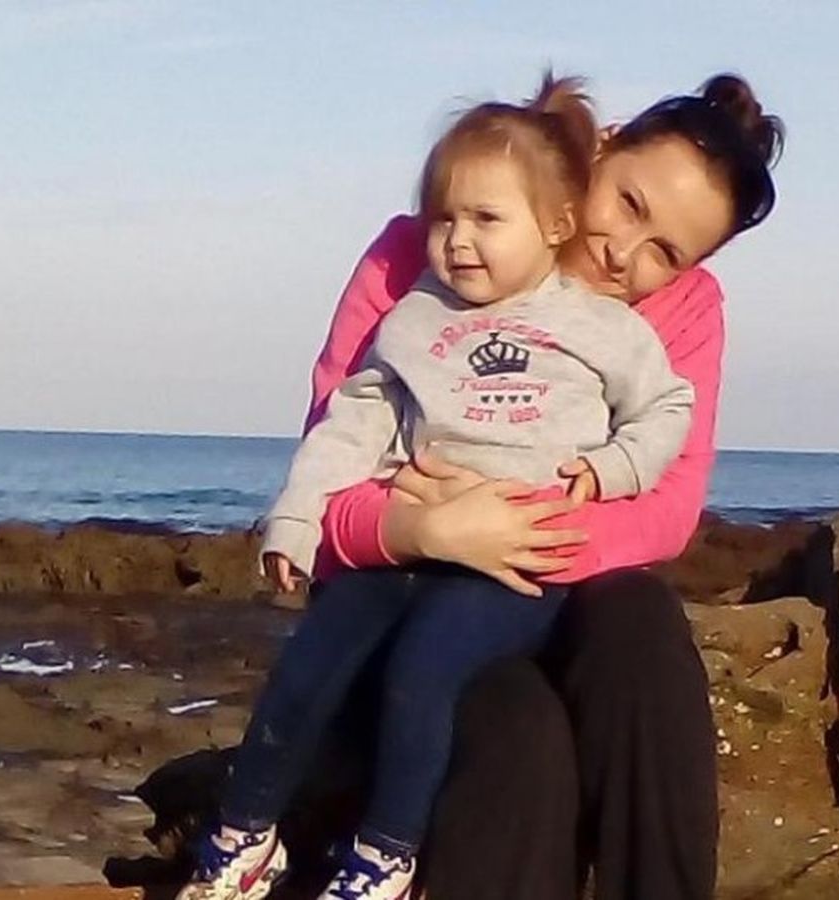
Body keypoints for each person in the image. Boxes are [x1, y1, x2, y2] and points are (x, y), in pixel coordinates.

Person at [178, 74, 695, 900]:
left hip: (511, 568)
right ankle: (244, 836)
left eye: (487, 220)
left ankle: (385, 854)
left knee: (427, 667)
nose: (458, 241)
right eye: (445, 219)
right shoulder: (415, 318)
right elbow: (352, 421)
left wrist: (612, 468)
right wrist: (299, 518)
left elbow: (668, 407)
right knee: (312, 658)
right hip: (408, 550)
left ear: (555, 224)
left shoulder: (600, 326)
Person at [302, 73, 784, 900]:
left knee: (640, 624)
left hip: (553, 595)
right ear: (602, 149)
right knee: (518, 732)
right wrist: (431, 532)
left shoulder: (686, 310)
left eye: (665, 252)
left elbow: (669, 507)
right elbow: (328, 490)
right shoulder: (425, 251)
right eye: (628, 203)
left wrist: (505, 525)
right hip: (411, 604)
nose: (624, 253)